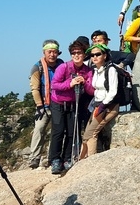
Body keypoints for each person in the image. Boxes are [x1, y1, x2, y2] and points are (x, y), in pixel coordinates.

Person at [49, 40, 94, 174]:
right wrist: (70, 83)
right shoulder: (64, 67)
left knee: (71, 132)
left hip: (74, 104)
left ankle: (67, 158)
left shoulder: (87, 71)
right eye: (73, 53)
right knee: (58, 132)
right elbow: (54, 85)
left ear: (84, 54)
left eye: (79, 52)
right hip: (58, 103)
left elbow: (91, 90)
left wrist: (84, 82)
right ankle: (55, 160)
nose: (76, 55)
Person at [79, 44, 120, 159]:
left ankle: (90, 160)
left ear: (105, 55)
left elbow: (113, 91)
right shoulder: (96, 71)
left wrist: (103, 105)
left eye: (98, 54)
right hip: (98, 106)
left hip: (108, 106)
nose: (94, 57)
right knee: (87, 134)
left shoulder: (111, 70)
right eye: (92, 55)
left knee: (91, 134)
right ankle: (82, 159)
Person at [27, 39, 64, 169]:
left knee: (57, 132)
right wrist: (39, 106)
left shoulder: (62, 65)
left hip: (58, 104)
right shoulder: (37, 67)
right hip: (44, 105)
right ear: (44, 52)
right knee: (39, 130)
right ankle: (34, 158)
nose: (52, 54)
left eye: (55, 52)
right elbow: (35, 88)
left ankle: (52, 158)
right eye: (50, 52)